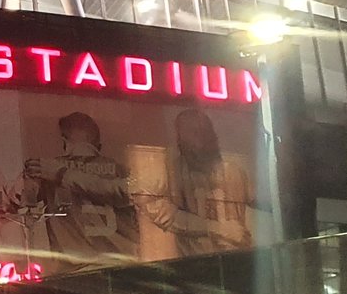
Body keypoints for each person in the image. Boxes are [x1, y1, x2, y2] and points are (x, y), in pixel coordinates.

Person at [18, 111, 136, 266]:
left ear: (64, 142)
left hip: (74, 272)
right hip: (120, 268)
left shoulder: (46, 170)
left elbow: (20, 203)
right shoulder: (122, 172)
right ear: (98, 145)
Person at [137, 107, 257, 255]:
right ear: (180, 140)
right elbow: (149, 204)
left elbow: (269, 199)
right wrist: (216, 228)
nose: (200, 138)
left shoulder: (234, 171)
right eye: (193, 133)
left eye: (205, 131)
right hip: (195, 267)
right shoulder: (171, 172)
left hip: (239, 261)